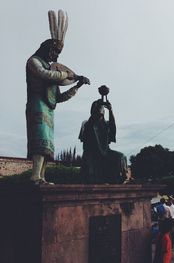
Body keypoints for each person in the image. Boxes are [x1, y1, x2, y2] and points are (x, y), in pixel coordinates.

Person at [26, 10, 90, 184]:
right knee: (39, 141)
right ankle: (34, 176)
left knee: (47, 145)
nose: (55, 56)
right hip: (37, 104)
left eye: (57, 54)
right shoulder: (34, 62)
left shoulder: (52, 69)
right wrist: (68, 75)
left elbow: (59, 98)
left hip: (48, 108)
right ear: (47, 49)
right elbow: (45, 74)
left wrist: (77, 85)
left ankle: (41, 177)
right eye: (54, 52)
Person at [79, 98, 127, 184]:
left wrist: (110, 110)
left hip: (106, 152)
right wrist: (98, 105)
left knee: (121, 157)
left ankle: (117, 182)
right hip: (91, 153)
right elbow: (90, 126)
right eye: (98, 110)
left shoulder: (107, 124)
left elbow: (113, 128)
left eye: (102, 111)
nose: (100, 113)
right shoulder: (87, 123)